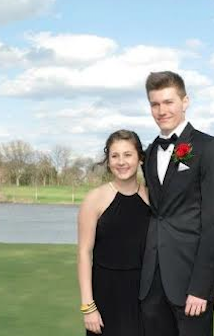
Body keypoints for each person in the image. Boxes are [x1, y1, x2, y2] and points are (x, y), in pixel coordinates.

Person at [139, 71, 214, 336]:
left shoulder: (208, 148)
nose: (161, 110)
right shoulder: (149, 153)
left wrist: (201, 287)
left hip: (191, 284)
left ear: (185, 101)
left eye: (168, 102)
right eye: (155, 104)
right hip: (152, 285)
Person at [77, 130, 150, 336]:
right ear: (108, 160)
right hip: (106, 296)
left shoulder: (153, 197)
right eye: (115, 156)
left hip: (145, 297)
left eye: (128, 155)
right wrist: (88, 307)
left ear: (139, 158)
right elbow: (84, 253)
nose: (121, 162)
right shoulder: (94, 199)